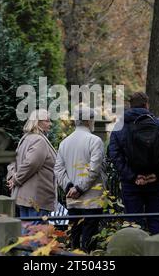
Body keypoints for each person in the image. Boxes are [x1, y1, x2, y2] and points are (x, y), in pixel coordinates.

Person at [108, 92, 159, 235]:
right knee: (156, 223)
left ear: (130, 106)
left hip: (132, 184)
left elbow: (114, 155)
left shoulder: (120, 126)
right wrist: (158, 174)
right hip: (155, 182)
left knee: (134, 225)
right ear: (146, 105)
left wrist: (133, 176)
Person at [54, 107, 105, 252]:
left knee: (74, 241)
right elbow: (94, 170)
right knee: (89, 242)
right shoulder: (95, 141)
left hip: (72, 200)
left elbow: (58, 170)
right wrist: (79, 188)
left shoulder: (64, 143)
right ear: (89, 121)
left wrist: (70, 187)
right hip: (92, 201)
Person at [7, 109, 57, 229]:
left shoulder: (25, 139)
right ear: (37, 122)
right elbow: (31, 164)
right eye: (47, 121)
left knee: (27, 230)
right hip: (36, 197)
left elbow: (13, 162)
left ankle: (25, 248)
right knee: (36, 232)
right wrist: (15, 179)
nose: (50, 124)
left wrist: (12, 177)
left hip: (25, 197)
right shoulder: (39, 140)